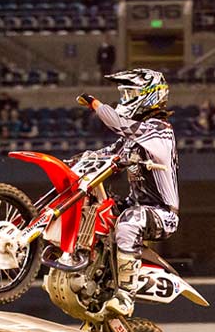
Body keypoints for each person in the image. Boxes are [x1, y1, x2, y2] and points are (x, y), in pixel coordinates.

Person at [76, 68, 179, 317]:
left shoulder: (160, 130)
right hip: (135, 205)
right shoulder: (135, 135)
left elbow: (120, 125)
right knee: (95, 207)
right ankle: (87, 269)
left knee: (128, 222)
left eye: (130, 92)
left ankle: (125, 295)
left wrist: (95, 104)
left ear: (150, 96)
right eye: (124, 93)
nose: (125, 98)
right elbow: (109, 151)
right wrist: (80, 160)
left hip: (162, 213)